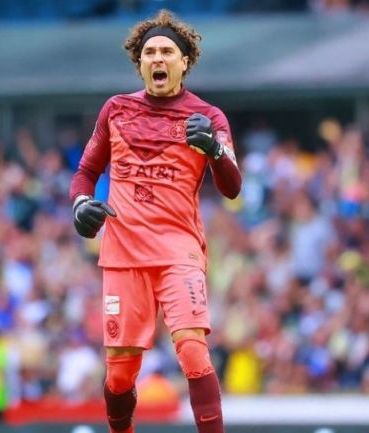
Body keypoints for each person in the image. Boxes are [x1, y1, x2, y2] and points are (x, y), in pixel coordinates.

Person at [69, 9, 241, 433]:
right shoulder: (116, 110)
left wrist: (216, 152)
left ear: (185, 62)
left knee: (194, 352)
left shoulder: (208, 119)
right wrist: (80, 206)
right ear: (140, 63)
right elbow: (85, 173)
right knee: (120, 375)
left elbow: (232, 187)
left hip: (178, 252)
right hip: (124, 255)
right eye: (149, 52)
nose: (157, 58)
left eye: (167, 51)